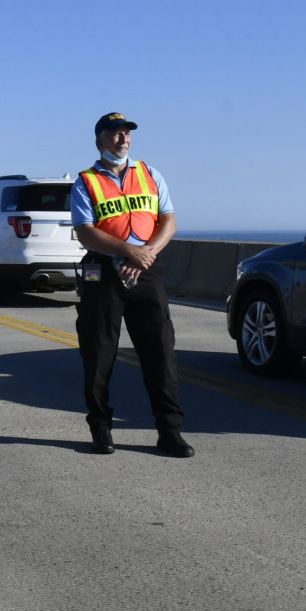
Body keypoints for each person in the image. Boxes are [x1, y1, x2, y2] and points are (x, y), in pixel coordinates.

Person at [69, 110, 189, 457]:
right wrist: (127, 253)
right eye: (115, 133)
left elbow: (168, 219)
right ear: (100, 140)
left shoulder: (149, 174)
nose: (123, 138)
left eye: (127, 133)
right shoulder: (86, 181)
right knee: (98, 353)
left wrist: (146, 253)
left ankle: (170, 432)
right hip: (103, 272)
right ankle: (101, 429)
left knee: (160, 352)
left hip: (146, 270)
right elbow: (85, 231)